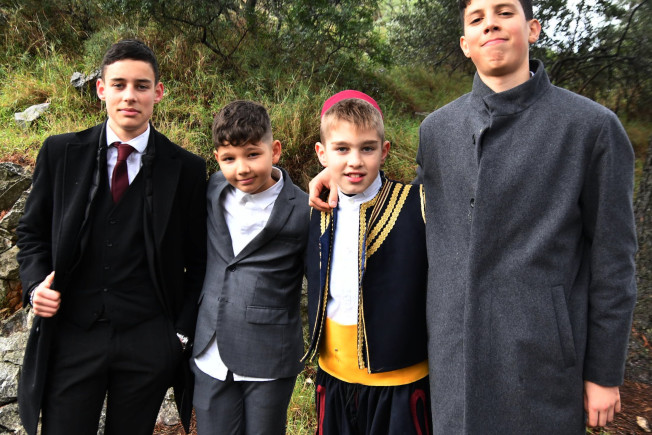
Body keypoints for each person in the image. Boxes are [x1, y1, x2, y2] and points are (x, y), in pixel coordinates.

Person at [309, 0, 638, 432]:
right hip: (453, 359)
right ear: (465, 43)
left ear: (533, 29)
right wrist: (336, 178)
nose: (491, 25)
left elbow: (614, 260)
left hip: (540, 361)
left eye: (504, 12)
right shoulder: (437, 130)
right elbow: (410, 207)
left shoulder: (591, 128)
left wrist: (604, 373)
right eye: (477, 18)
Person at [16, 39, 207, 435]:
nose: (129, 96)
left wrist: (178, 335)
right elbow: (31, 232)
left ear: (158, 92)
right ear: (101, 89)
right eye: (119, 84)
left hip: (149, 341)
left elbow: (199, 260)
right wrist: (35, 287)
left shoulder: (187, 169)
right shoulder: (59, 152)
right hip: (72, 335)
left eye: (141, 85)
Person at [303, 90, 431, 435]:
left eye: (367, 149)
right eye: (342, 149)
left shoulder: (417, 203)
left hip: (400, 382)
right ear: (322, 153)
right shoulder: (318, 208)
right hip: (334, 374)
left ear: (384, 151)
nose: (355, 161)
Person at [191, 100, 308, 435]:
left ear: (275, 150)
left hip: (270, 353)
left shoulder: (304, 208)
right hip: (210, 346)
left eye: (253, 154)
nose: (241, 168)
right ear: (217, 158)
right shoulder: (213, 188)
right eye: (229, 158)